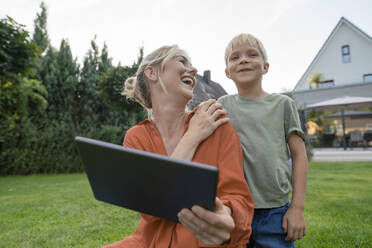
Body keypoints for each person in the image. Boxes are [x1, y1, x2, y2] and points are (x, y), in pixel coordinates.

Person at [103, 45, 254, 248]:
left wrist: (226, 216)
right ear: (152, 72)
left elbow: (238, 198)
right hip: (150, 242)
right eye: (182, 61)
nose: (193, 70)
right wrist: (192, 137)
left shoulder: (217, 124)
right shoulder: (136, 137)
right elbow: (149, 209)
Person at [217, 33, 308, 248]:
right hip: (233, 210)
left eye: (252, 54)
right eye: (235, 57)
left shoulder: (283, 104)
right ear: (227, 72)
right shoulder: (222, 105)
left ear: (265, 66)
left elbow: (299, 156)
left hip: (275, 211)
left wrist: (297, 208)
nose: (243, 60)